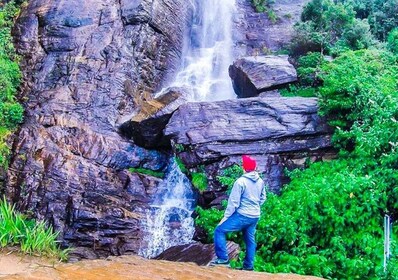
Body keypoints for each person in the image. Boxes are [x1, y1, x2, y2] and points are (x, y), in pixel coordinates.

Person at [210, 155, 266, 271]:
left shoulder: (240, 182)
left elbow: (233, 203)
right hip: (255, 216)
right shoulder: (260, 181)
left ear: (243, 168)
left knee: (219, 231)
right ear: (255, 167)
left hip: (243, 215)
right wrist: (255, 207)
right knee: (250, 241)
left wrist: (225, 217)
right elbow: (263, 198)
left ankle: (223, 260)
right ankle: (248, 267)